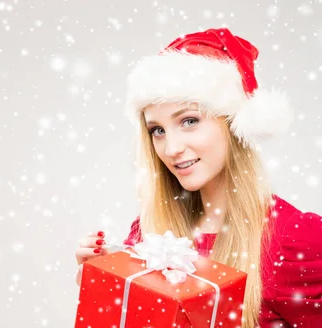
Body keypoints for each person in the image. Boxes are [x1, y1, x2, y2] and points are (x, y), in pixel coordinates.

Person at [74, 27, 322, 328]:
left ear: (232, 123)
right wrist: (107, 287)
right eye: (158, 130)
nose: (172, 148)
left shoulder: (296, 239)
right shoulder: (150, 234)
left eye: (189, 121)